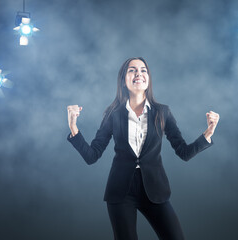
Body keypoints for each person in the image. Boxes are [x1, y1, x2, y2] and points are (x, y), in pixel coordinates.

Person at [67, 57, 220, 240]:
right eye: (132, 70)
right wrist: (73, 127)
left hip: (155, 188)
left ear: (148, 79)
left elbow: (184, 152)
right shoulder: (113, 114)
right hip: (121, 191)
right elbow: (92, 155)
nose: (138, 73)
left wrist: (208, 133)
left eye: (143, 70)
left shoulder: (162, 112)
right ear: (124, 80)